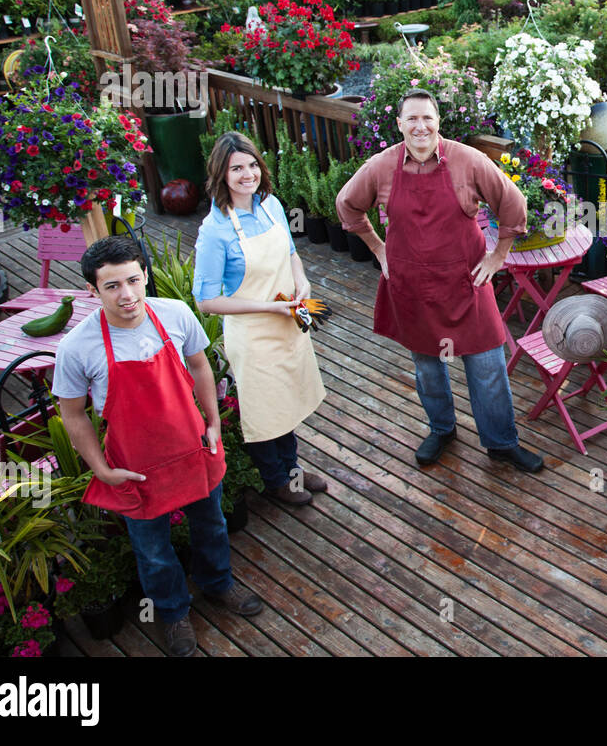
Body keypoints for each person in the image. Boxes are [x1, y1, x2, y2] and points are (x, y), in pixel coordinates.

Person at [54, 235, 263, 657]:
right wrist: (101, 470)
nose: (127, 294)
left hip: (192, 448)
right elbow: (73, 415)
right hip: (134, 465)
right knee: (152, 550)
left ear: (146, 275)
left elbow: (200, 365)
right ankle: (171, 613)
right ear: (92, 291)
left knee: (212, 525)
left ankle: (218, 584)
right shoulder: (76, 347)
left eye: (133, 280)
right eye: (112, 286)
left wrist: (213, 423)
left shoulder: (174, 314)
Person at [336, 88, 544, 473]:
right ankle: (442, 429)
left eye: (427, 118)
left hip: (467, 283)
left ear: (438, 122)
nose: (420, 126)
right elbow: (347, 205)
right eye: (411, 119)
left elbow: (512, 202)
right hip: (411, 288)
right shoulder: (381, 166)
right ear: (399, 125)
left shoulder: (468, 161)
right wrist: (378, 249)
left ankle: (501, 443)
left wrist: (498, 255)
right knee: (428, 368)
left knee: (488, 366)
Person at [193, 132, 328, 506]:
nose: (247, 174)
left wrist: (302, 280)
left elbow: (290, 253)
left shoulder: (271, 206)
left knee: (288, 400)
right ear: (221, 174)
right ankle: (276, 481)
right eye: (236, 168)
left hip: (289, 322)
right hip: (253, 334)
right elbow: (206, 301)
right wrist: (269, 307)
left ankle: (293, 469)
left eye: (252, 165)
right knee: (264, 410)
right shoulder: (214, 230)